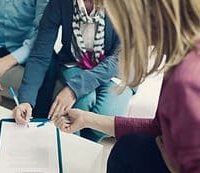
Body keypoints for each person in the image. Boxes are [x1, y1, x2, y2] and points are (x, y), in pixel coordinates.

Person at [53, 0, 200, 172]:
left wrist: (172, 162)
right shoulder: (178, 61)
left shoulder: (186, 81)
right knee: (128, 148)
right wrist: (86, 119)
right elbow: (157, 129)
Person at [13, 0, 134, 142]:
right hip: (75, 64)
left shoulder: (126, 5)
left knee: (106, 117)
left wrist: (74, 89)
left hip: (117, 71)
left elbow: (118, 59)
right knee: (82, 103)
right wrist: (25, 100)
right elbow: (40, 55)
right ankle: (69, 148)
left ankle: (84, 148)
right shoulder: (59, 3)